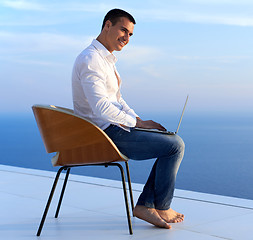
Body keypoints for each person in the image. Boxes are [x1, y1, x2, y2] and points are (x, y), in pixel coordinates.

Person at [72, 8, 185, 229]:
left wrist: (138, 119)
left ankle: (148, 205)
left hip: (112, 128)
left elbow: (116, 99)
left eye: (130, 34)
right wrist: (137, 124)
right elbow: (101, 107)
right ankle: (157, 205)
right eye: (123, 30)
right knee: (175, 146)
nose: (127, 37)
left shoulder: (105, 60)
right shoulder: (91, 59)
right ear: (107, 25)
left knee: (169, 140)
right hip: (102, 135)